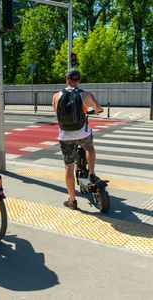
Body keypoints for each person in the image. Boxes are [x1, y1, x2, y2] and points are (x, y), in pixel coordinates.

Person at [52, 68, 103, 210]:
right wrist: (94, 109)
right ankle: (91, 174)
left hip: (65, 136)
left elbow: (56, 111)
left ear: (66, 80)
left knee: (69, 165)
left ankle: (72, 201)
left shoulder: (57, 96)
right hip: (82, 134)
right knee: (90, 148)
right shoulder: (85, 95)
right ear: (79, 80)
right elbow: (98, 109)